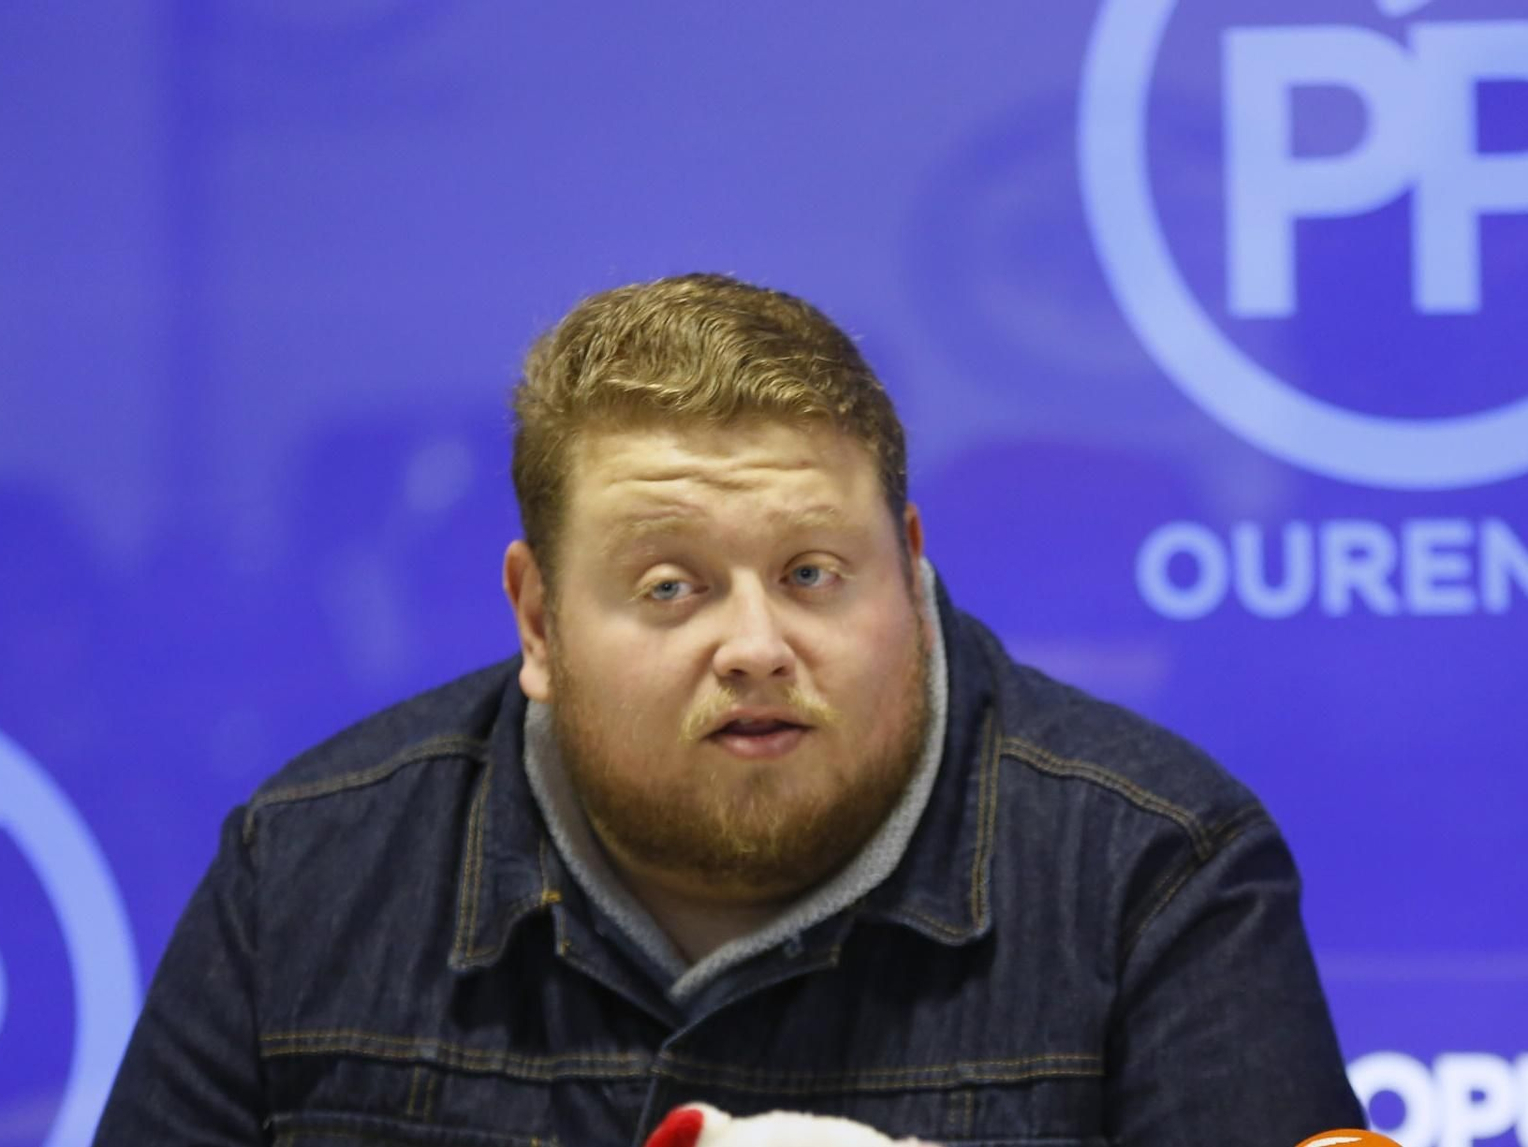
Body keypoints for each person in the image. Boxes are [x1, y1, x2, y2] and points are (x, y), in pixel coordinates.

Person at [94, 274, 1364, 1147]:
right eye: (669, 587)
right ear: (536, 620)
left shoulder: (1151, 864)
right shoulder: (311, 865)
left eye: (813, 573)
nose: (755, 645)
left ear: (909, 573)